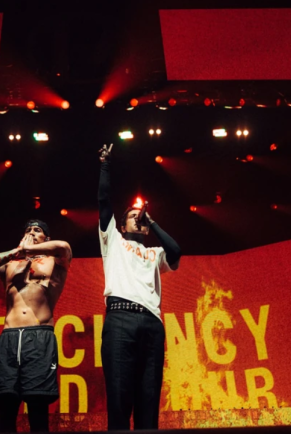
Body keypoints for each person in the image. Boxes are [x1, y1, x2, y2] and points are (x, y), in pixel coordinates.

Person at [97, 143, 182, 430]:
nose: (138, 218)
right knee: (120, 399)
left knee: (148, 401)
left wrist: (152, 222)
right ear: (122, 226)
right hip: (120, 319)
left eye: (141, 217)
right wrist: (105, 165)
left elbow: (176, 251)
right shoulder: (113, 240)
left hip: (152, 324)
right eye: (133, 216)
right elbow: (104, 201)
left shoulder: (155, 253)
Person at [0, 220, 72, 432]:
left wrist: (29, 249)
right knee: (6, 404)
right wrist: (16, 252)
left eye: (37, 230)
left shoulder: (54, 261)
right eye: (28, 230)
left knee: (37, 403)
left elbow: (64, 246)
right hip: (9, 336)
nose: (32, 232)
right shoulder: (11, 263)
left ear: (46, 238)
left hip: (39, 335)